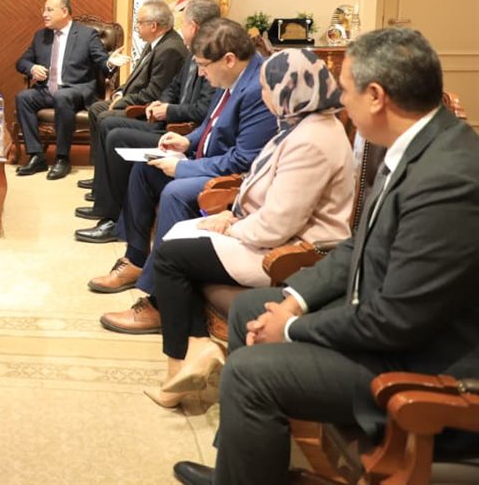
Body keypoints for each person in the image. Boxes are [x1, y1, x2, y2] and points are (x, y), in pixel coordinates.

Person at [171, 28, 479, 485]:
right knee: (253, 309)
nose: (340, 101)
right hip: (383, 321)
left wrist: (290, 328)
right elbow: (358, 244)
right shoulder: (417, 145)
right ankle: (241, 466)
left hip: (418, 364)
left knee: (251, 373)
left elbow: (396, 321)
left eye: (346, 90)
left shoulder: (448, 179)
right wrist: (294, 300)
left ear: (376, 96)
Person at [142, 48, 354, 409]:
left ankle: (183, 360)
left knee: (170, 256)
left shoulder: (313, 140)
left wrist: (232, 226)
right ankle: (194, 351)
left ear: (289, 87)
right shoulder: (300, 124)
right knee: (176, 237)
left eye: (267, 88)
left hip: (291, 251)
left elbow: (277, 224)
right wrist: (231, 217)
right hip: (269, 233)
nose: (264, 95)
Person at [91, 18, 276, 335]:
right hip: (207, 162)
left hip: (234, 180)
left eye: (203, 66)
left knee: (175, 192)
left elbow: (243, 160)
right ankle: (136, 259)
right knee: (145, 169)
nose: (201, 73)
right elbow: (210, 123)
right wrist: (187, 141)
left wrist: (182, 168)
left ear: (229, 59)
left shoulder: (257, 89)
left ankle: (161, 303)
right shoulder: (231, 78)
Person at [76, 0, 219, 240]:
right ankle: (106, 202)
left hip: (181, 132)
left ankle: (112, 218)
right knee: (110, 125)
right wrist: (162, 104)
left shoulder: (208, 57)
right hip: (166, 123)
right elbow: (172, 87)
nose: (180, 28)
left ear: (193, 26)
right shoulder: (191, 52)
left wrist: (169, 111)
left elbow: (202, 110)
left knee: (114, 131)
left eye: (183, 23)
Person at [14, 0, 110, 180]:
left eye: (49, 10)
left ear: (64, 11)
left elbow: (103, 61)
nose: (44, 14)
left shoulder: (86, 35)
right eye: (43, 10)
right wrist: (32, 68)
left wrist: (111, 63)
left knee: (62, 96)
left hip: (76, 90)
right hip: (47, 90)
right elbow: (21, 62)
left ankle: (62, 158)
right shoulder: (41, 36)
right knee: (23, 97)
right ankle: (36, 155)